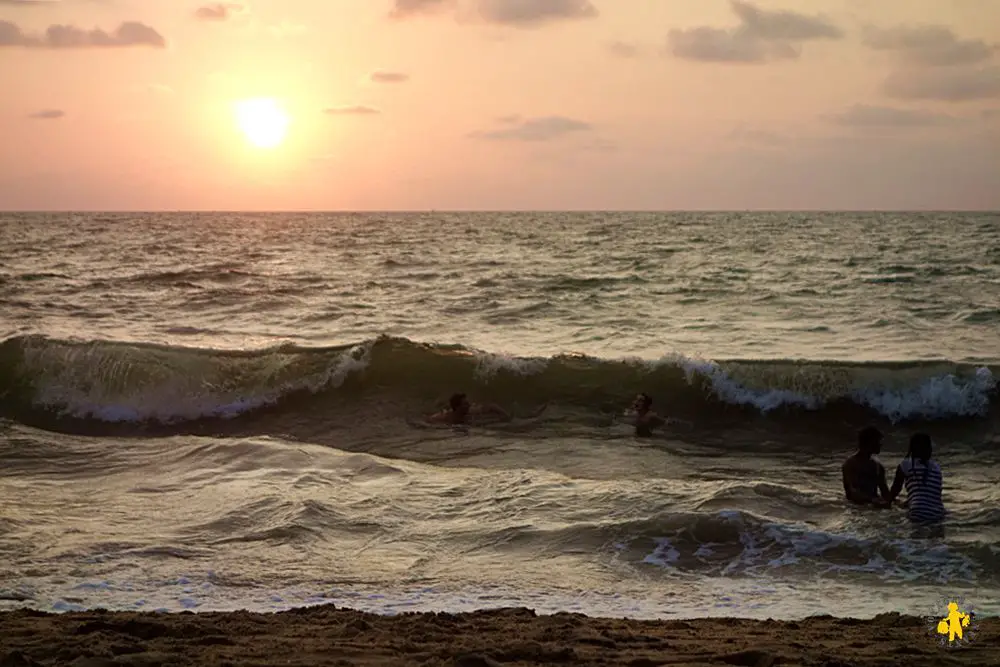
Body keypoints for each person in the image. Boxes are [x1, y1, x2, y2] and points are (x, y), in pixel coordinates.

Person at [887, 432, 945, 523]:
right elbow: (928, 494)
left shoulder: (905, 464)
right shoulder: (936, 467)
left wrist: (888, 501)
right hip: (938, 513)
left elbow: (895, 490)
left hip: (917, 513)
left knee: (915, 535)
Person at [842, 426, 891, 506]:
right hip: (855, 507)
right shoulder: (850, 464)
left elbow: (885, 493)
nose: (880, 444)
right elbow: (851, 493)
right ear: (870, 443)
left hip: (871, 507)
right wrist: (872, 500)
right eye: (878, 441)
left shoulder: (878, 466)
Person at [426, 392, 509, 425]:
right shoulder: (445, 417)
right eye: (465, 404)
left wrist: (505, 415)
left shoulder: (471, 411)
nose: (469, 405)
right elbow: (429, 420)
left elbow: (492, 406)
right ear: (458, 407)